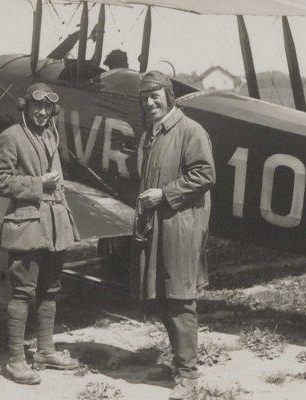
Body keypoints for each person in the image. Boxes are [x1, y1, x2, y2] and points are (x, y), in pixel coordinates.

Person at [0, 82, 80, 385]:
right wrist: (38, 184)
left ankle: (45, 350)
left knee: (50, 289)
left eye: (47, 108)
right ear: (24, 107)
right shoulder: (11, 137)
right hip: (27, 225)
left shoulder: (50, 134)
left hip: (54, 226)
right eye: (36, 106)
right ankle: (15, 361)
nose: (41, 112)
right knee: (22, 292)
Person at [134, 71, 216, 399]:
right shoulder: (153, 133)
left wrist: (164, 195)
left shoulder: (190, 130)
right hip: (159, 226)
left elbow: (205, 174)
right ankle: (180, 364)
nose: (150, 102)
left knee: (181, 300)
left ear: (169, 96)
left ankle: (189, 376)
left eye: (155, 95)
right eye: (144, 98)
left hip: (181, 227)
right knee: (165, 299)